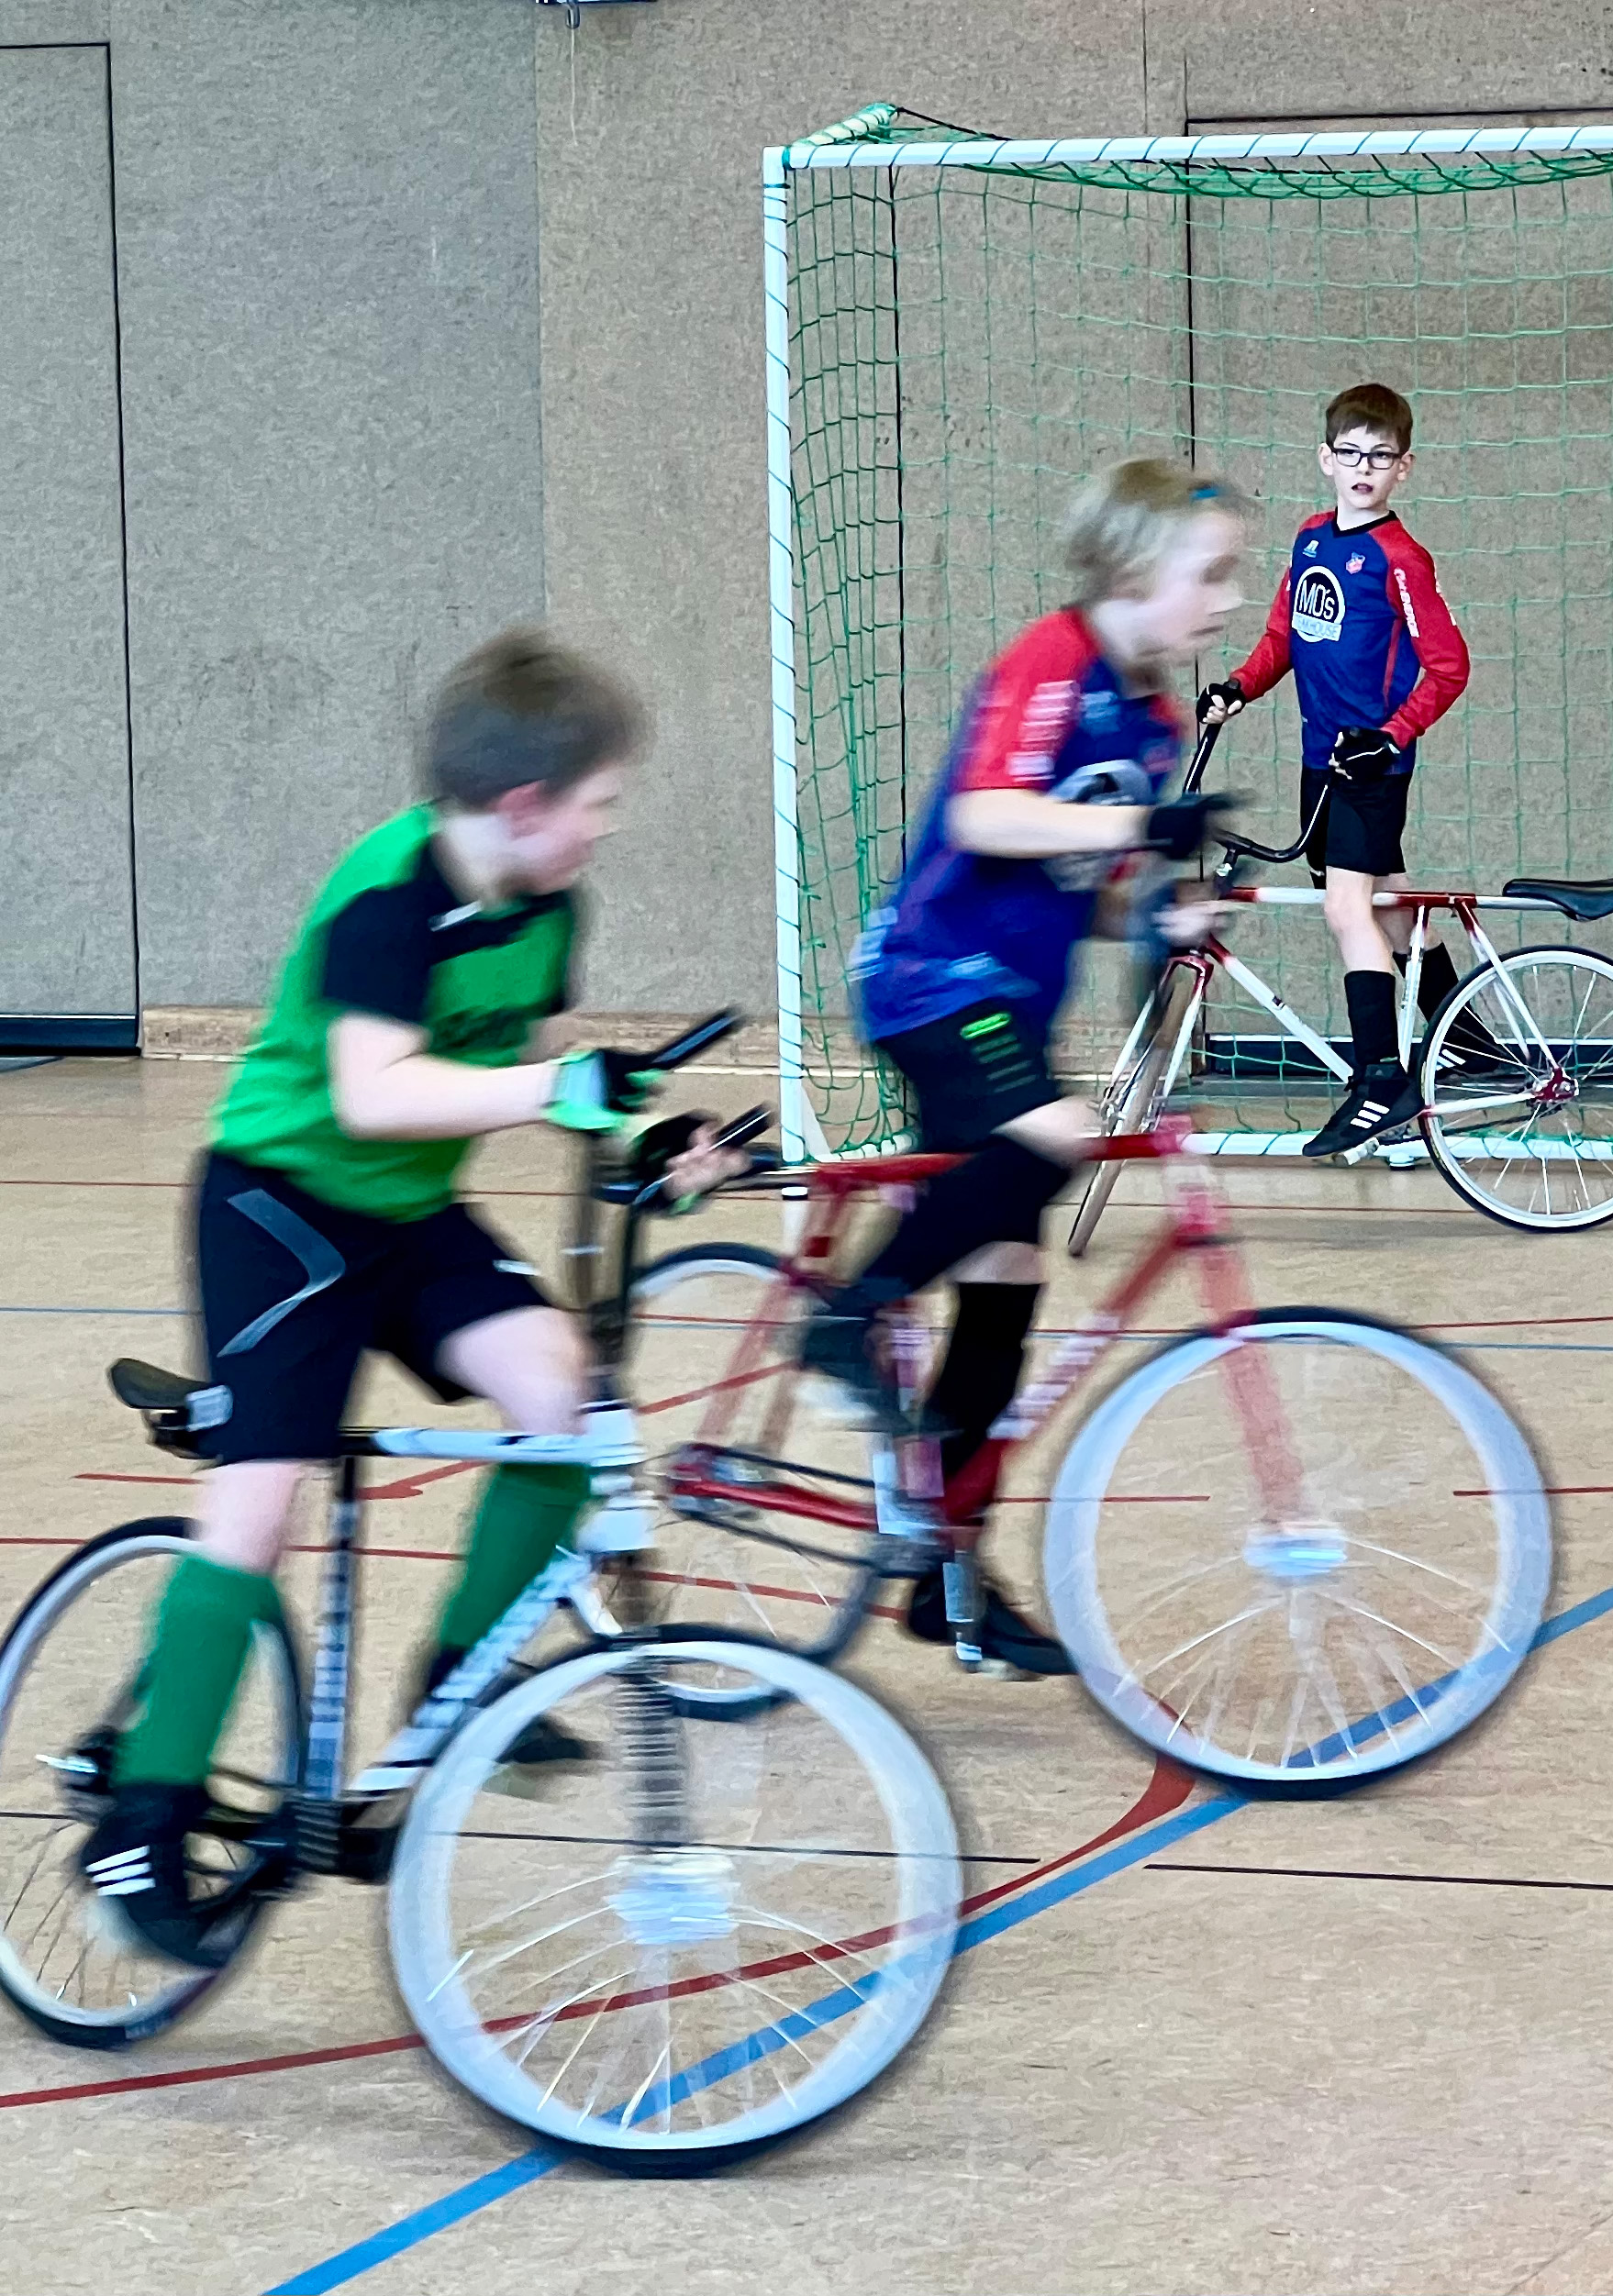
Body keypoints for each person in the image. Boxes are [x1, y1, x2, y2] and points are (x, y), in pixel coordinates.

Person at [79, 630, 747, 1968]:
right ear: (521, 806)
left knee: (567, 1402)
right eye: (599, 805)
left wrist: (650, 1145)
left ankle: (455, 1683)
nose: (605, 831)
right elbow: (379, 1088)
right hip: (279, 1208)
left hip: (408, 1213)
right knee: (258, 1503)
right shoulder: (385, 895)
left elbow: (529, 1066)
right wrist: (552, 1092)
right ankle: (139, 1812)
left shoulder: (549, 905)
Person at [811, 456, 1246, 1675]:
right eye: (1204, 573)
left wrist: (1152, 916)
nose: (1223, 598)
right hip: (928, 984)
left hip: (1012, 1000)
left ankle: (946, 1575)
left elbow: (1087, 885)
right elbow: (986, 817)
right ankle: (841, 1311)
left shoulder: (1155, 719)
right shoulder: (1046, 663)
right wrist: (1131, 828)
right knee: (1051, 1134)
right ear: (1128, 568)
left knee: (1004, 1281)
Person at [1201, 381, 1490, 1159]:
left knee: (1344, 909)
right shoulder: (1310, 540)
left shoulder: (1399, 557)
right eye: (1351, 454)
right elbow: (1283, 637)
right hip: (1317, 759)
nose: (1364, 468)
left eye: (1381, 457)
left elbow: (1449, 666)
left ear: (1405, 468)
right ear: (1326, 459)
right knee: (1390, 905)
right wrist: (1239, 686)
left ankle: (1378, 1078)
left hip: (1369, 764)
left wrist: (1390, 737)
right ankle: (1467, 1039)